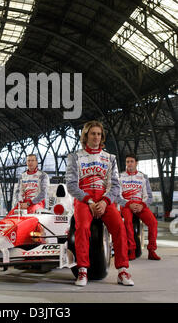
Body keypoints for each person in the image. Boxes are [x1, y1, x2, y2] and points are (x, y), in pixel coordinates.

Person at [66, 120, 134, 287]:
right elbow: (71, 185)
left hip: (105, 200)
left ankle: (122, 270)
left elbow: (115, 185)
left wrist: (104, 201)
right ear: (86, 136)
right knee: (81, 228)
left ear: (102, 137)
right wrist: (89, 201)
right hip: (84, 200)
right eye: (93, 133)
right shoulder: (74, 157)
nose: (96, 137)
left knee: (119, 226)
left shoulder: (110, 158)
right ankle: (82, 270)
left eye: (99, 134)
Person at [117, 153, 160, 261]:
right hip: (127, 205)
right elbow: (118, 196)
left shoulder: (143, 177)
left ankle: (152, 250)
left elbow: (148, 196)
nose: (129, 164)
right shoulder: (120, 177)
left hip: (140, 204)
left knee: (153, 222)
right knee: (127, 222)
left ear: (136, 163)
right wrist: (128, 204)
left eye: (131, 161)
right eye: (127, 162)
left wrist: (142, 205)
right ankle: (131, 250)